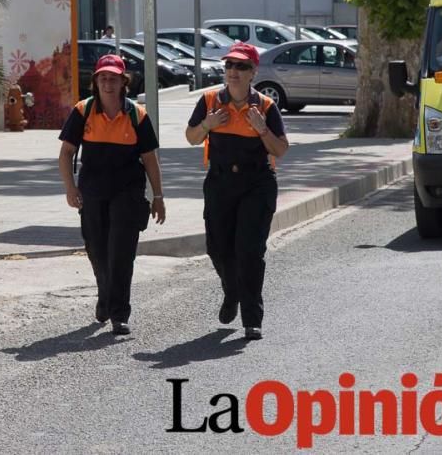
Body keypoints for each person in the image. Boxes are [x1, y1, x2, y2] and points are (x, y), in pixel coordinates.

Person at [185, 42, 289, 341]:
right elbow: (192, 138)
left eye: (241, 66)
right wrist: (209, 123)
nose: (233, 71)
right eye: (229, 65)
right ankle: (232, 291)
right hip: (219, 183)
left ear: (253, 72)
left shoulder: (266, 107)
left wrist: (262, 130)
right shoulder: (209, 100)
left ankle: (252, 319)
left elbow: (280, 149)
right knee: (217, 248)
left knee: (249, 251)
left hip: (257, 184)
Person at [59, 54, 166, 335]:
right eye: (103, 78)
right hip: (92, 191)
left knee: (121, 252)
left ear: (123, 83)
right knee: (97, 250)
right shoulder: (83, 111)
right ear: (96, 82)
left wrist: (158, 197)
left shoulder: (137, 115)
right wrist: (70, 188)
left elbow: (150, 159)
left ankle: (119, 313)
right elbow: (66, 153)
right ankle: (105, 295)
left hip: (128, 191)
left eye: (114, 78)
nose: (108, 83)